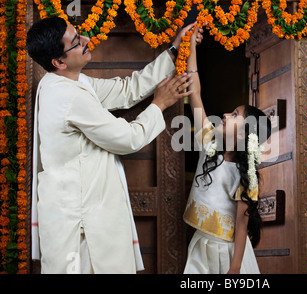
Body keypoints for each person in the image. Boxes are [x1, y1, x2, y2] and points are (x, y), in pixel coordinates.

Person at [26, 17, 203, 274]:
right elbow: (127, 139)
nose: (86, 41)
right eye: (76, 42)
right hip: (81, 227)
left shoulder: (69, 83)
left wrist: (175, 50)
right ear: (59, 62)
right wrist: (160, 104)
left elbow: (128, 89)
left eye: (80, 35)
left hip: (84, 218)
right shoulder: (67, 96)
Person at [182, 27, 272, 274]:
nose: (224, 115)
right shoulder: (208, 143)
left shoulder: (246, 177)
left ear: (244, 134)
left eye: (234, 115)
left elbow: (241, 227)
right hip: (200, 245)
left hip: (228, 252)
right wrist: (190, 47)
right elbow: (195, 92)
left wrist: (234, 269)